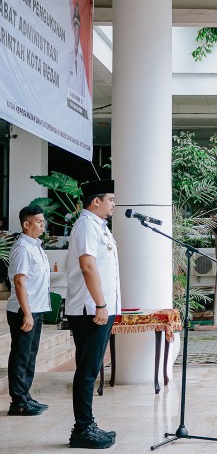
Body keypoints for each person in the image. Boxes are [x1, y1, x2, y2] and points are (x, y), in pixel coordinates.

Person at [66, 180, 120, 449]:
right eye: (110, 199)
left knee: (89, 368)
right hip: (91, 310)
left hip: (98, 308)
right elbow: (88, 266)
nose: (113, 204)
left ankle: (86, 424)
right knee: (87, 371)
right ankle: (82, 429)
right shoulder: (87, 224)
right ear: (95, 201)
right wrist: (100, 304)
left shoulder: (97, 226)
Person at [6, 205, 51, 416]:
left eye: (43, 221)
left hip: (37, 309)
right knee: (21, 356)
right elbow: (19, 282)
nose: (43, 224)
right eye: (39, 221)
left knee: (30, 356)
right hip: (24, 311)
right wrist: (27, 313)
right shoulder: (23, 248)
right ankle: (18, 402)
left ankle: (26, 396)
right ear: (26, 224)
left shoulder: (36, 246)